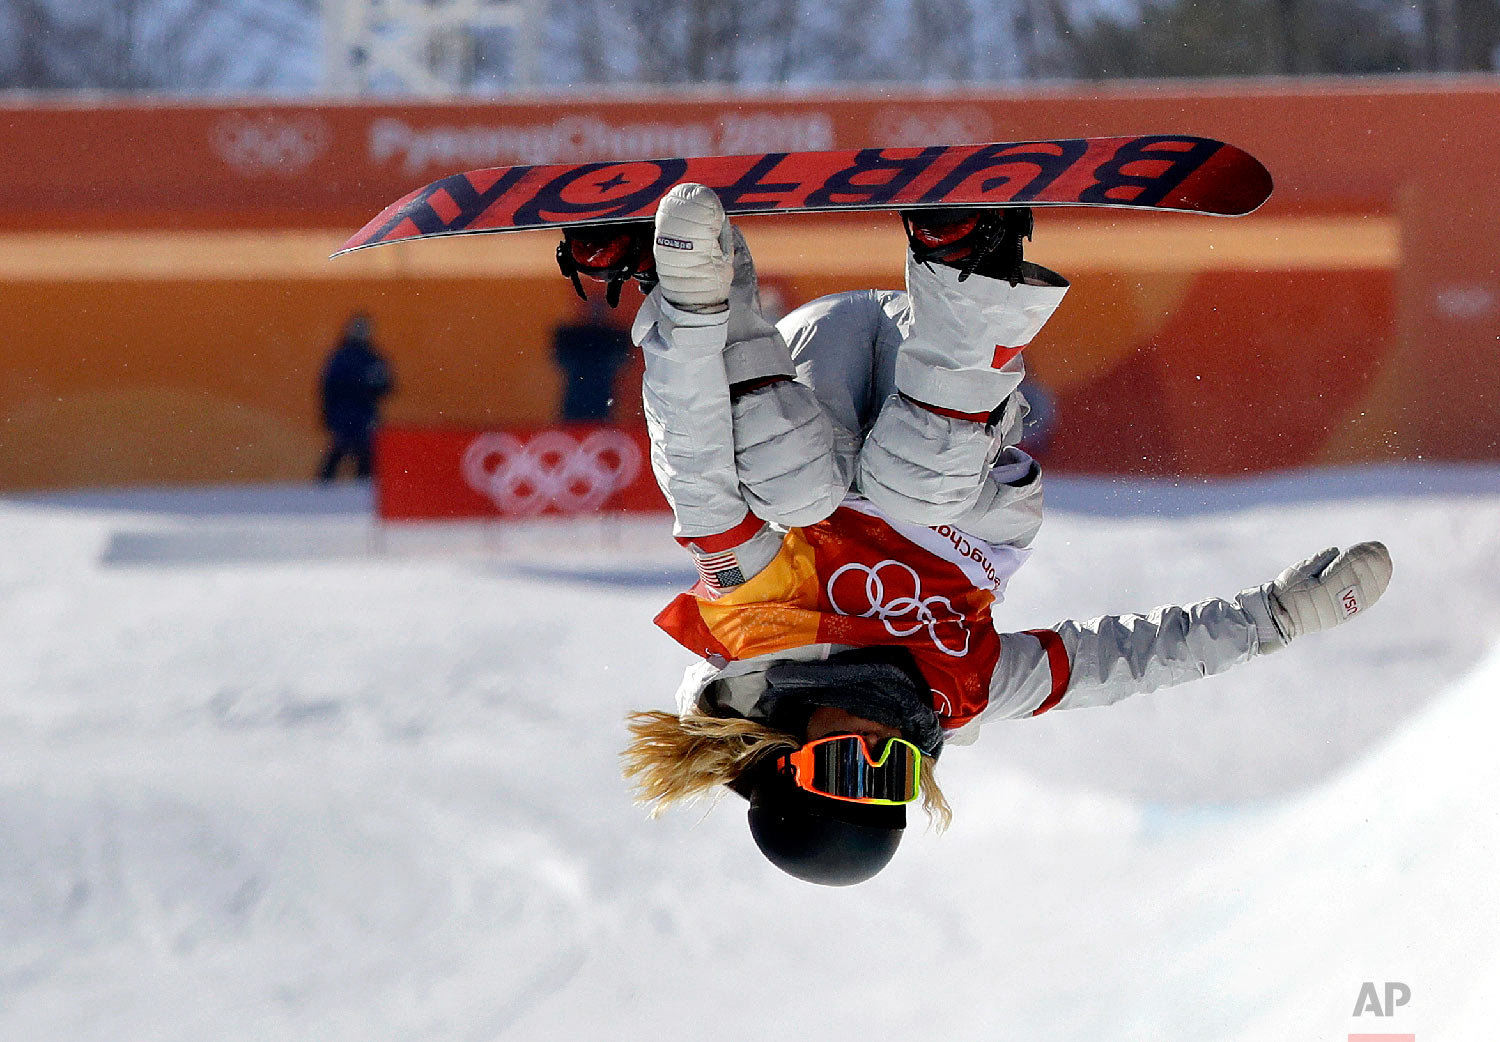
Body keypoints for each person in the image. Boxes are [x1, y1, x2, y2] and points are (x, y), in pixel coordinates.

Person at [604, 184, 1392, 887]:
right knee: (916, 489)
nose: (879, 750)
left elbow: (694, 459)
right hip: (942, 397)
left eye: (846, 765)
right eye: (894, 777)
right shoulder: (964, 687)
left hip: (822, 370)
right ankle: (967, 257)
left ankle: (689, 275)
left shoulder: (753, 633)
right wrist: (1280, 618)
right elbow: (1125, 662)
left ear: (783, 755)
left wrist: (686, 306)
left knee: (759, 502)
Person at [318, 312, 394, 482]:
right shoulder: (341, 357)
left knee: (365, 452)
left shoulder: (372, 357)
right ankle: (322, 490)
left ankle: (362, 488)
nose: (361, 333)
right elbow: (329, 388)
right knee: (341, 448)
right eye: (357, 328)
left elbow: (386, 385)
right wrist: (329, 414)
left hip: (365, 414)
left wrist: (377, 382)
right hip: (344, 414)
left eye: (364, 329)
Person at [552, 296, 633, 422]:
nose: (595, 313)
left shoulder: (610, 336)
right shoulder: (574, 336)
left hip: (599, 392)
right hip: (580, 393)